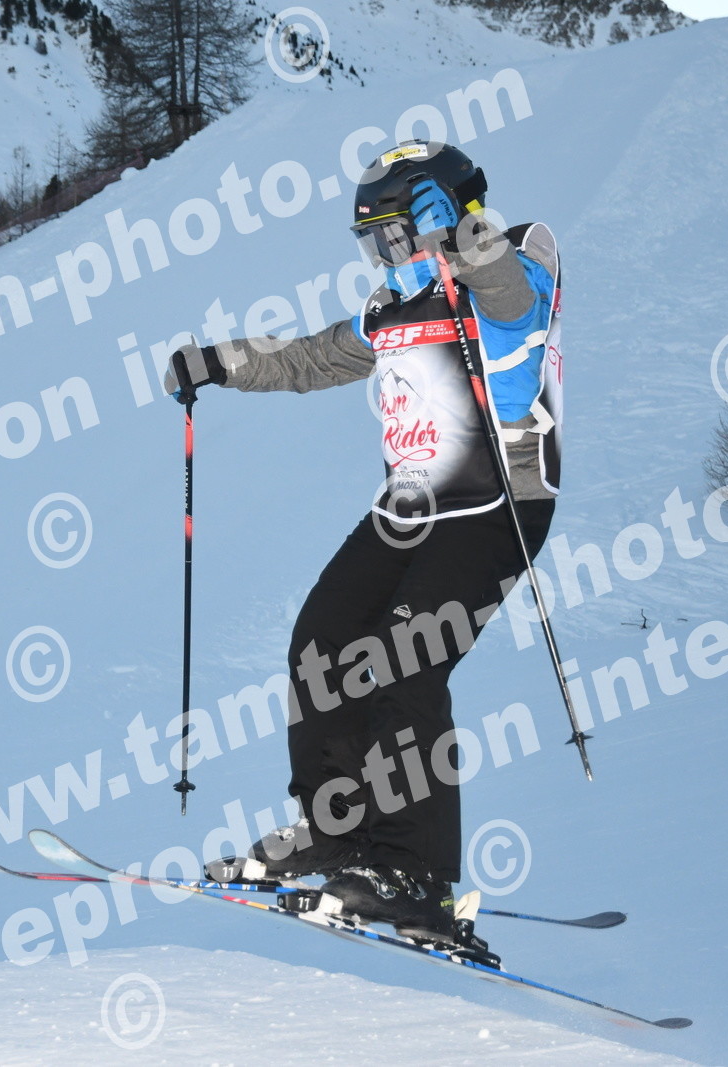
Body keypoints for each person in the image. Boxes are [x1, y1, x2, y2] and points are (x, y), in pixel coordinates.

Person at [164, 140, 561, 957]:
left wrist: (472, 247)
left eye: (396, 234)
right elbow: (309, 358)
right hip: (410, 505)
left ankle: (414, 875)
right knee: (322, 641)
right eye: (373, 242)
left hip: (498, 503)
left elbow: (517, 312)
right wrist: (218, 363)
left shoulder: (519, 256)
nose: (386, 254)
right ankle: (337, 830)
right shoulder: (392, 307)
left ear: (439, 214)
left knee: (408, 659)